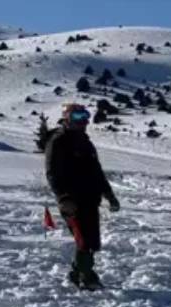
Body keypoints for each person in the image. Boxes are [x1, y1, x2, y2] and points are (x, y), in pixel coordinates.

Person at [45, 103, 121, 290]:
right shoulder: (58, 141)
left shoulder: (85, 142)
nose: (84, 122)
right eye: (78, 117)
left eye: (85, 117)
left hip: (90, 199)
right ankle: (87, 278)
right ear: (67, 118)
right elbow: (52, 173)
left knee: (92, 240)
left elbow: (97, 172)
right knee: (84, 240)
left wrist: (109, 194)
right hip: (72, 200)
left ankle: (76, 272)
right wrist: (63, 198)